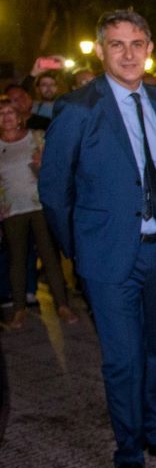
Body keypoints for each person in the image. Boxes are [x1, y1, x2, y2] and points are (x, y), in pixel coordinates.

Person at [40, 9, 156, 468]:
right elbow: (54, 190)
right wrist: (82, 252)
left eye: (137, 43)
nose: (128, 53)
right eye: (117, 44)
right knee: (123, 360)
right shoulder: (77, 107)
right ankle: (128, 455)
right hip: (109, 259)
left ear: (150, 48)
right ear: (102, 49)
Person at [0, 98, 76, 327]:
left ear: (20, 115)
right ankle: (19, 308)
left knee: (50, 256)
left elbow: (58, 166)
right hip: (12, 208)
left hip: (40, 204)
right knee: (17, 259)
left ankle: (62, 305)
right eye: (1, 113)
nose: (7, 117)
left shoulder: (37, 136)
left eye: (11, 112)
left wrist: (43, 164)